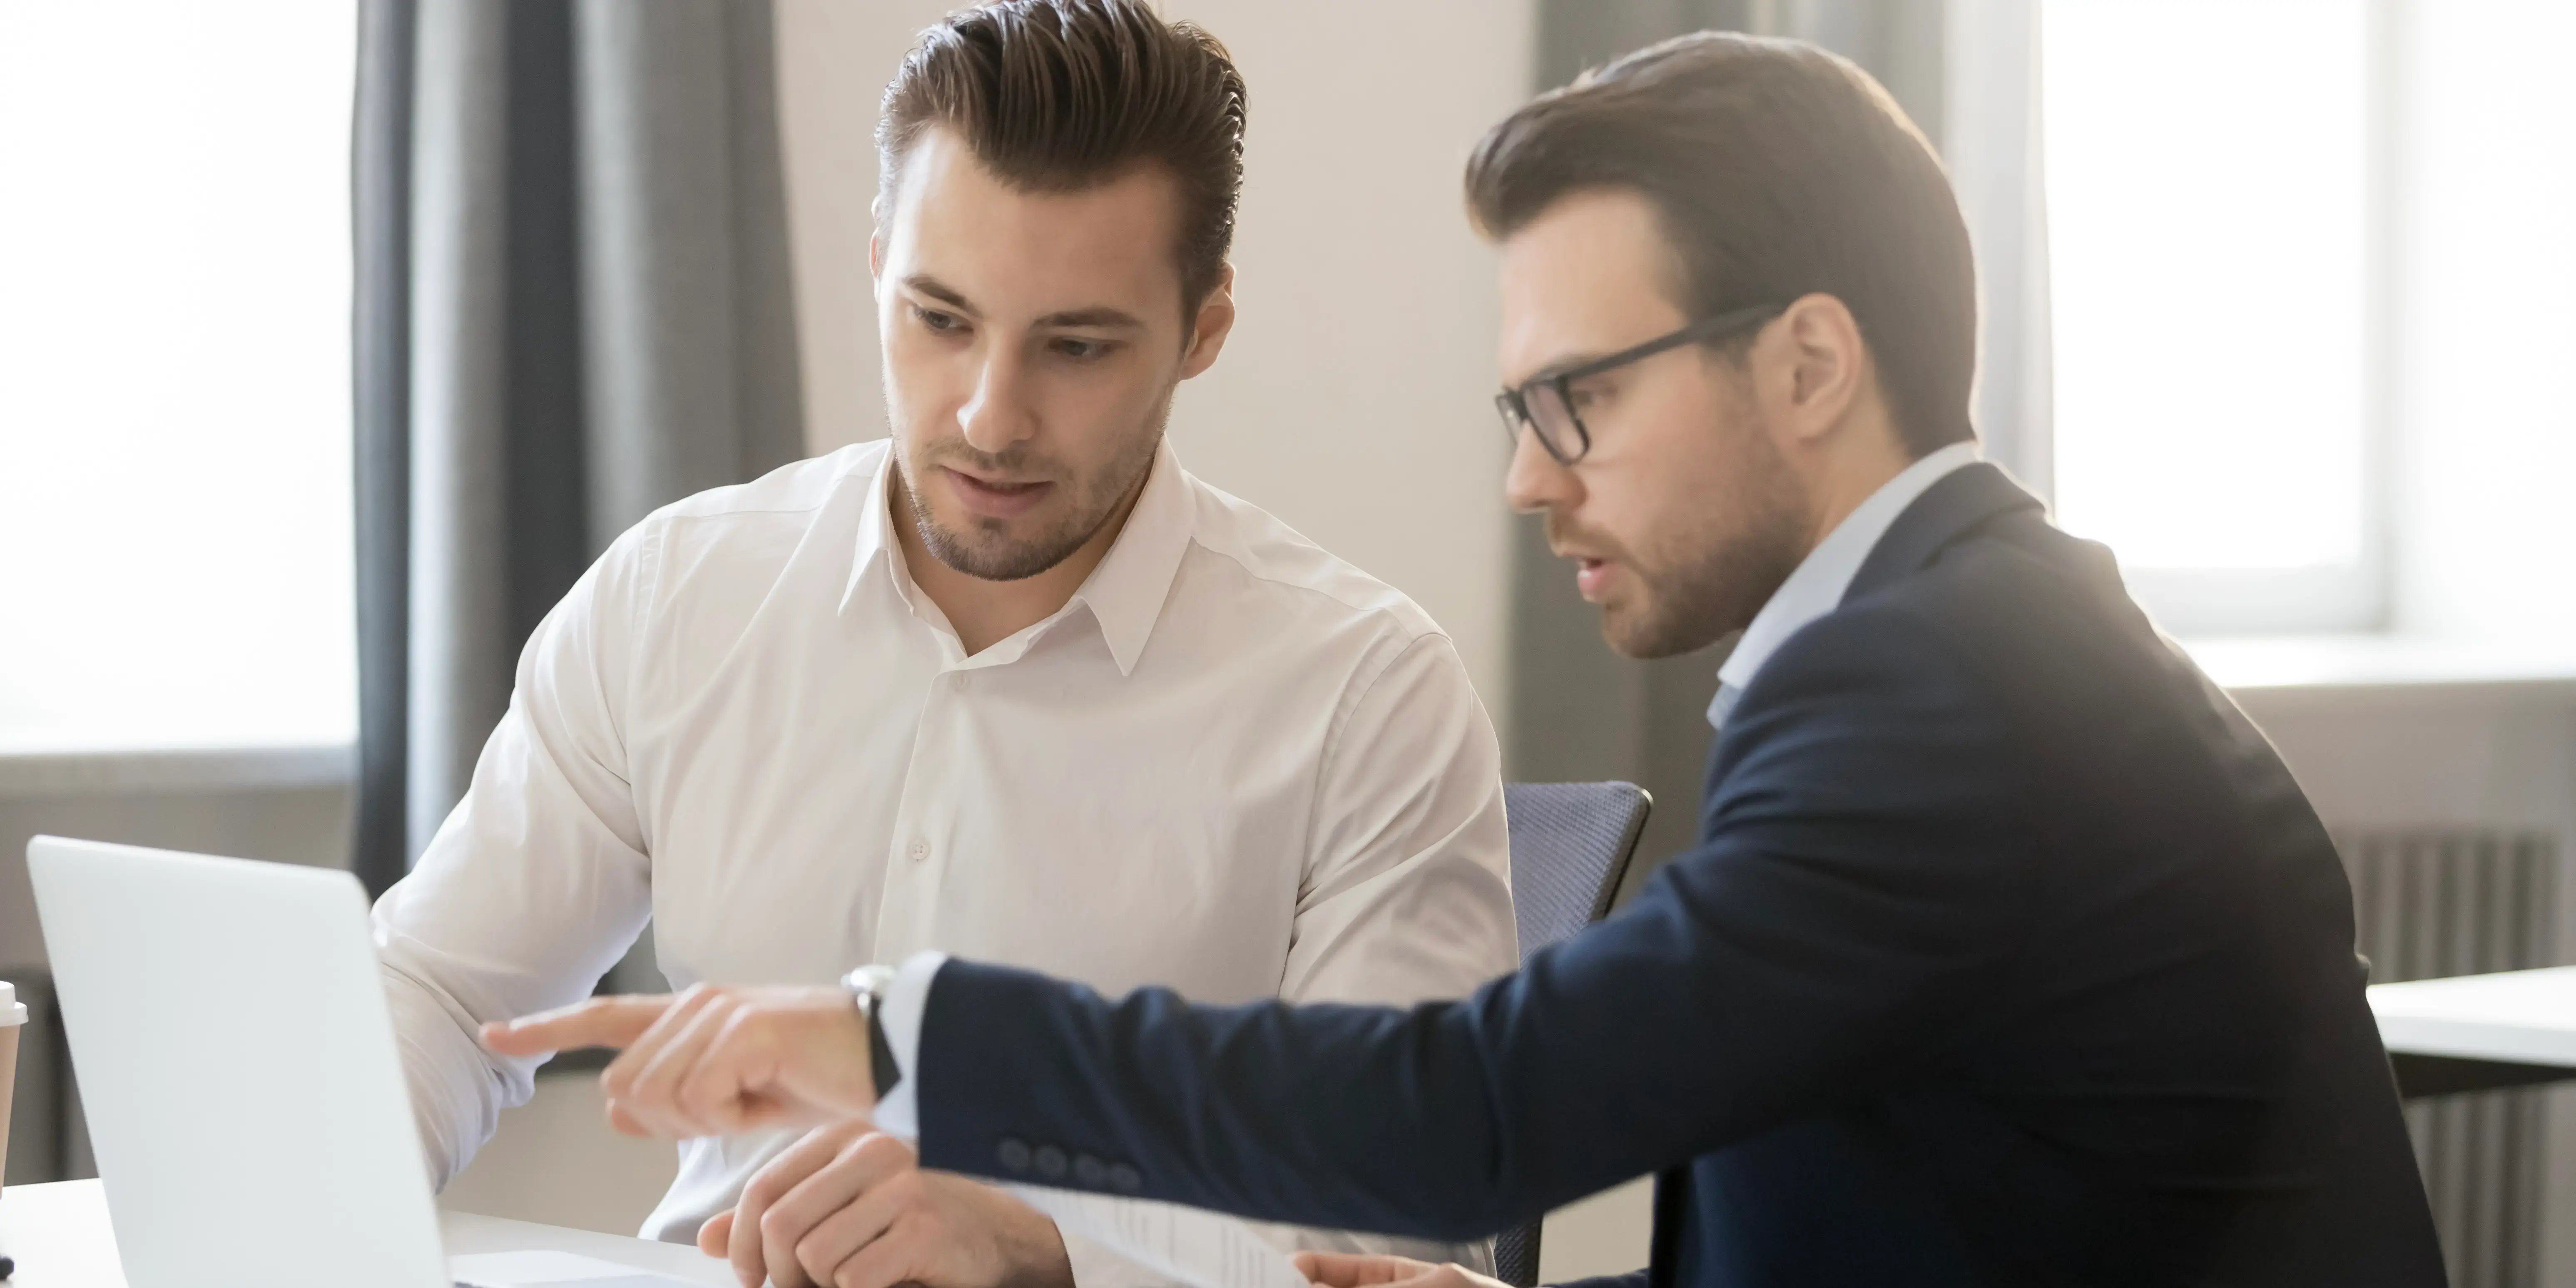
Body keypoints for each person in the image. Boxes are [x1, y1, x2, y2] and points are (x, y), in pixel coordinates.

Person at [488, 30, 2451, 1288]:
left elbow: (1467, 1112)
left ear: (1807, 361)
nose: (1526, 479)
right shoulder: (1963, 637)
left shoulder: (1948, 702)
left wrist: (898, 1036)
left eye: (1577, 398)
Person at [378, 3, 1516, 1286]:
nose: (989, 414)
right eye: (940, 318)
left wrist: (1047, 1255)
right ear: (877, 263)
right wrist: (292, 1206)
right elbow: (436, 993)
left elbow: (1398, 1239)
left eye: (1075, 346)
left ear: (1203, 331)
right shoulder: (679, 597)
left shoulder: (1364, 697)